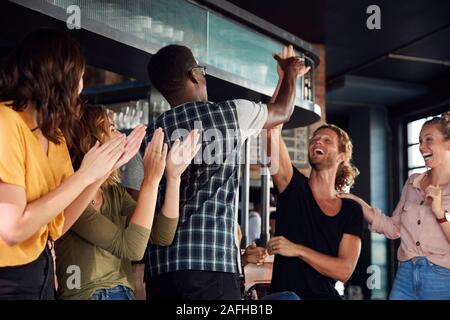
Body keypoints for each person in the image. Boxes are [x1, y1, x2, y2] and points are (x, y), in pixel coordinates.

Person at [121, 44, 310, 300]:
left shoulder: (144, 139)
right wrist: (289, 73)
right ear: (195, 74)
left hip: (161, 271)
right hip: (213, 265)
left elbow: (135, 211)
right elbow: (282, 112)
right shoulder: (232, 114)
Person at [0, 29, 143, 300]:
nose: (81, 87)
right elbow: (12, 229)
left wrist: (99, 174)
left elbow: (58, 226)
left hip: (41, 271)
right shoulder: (5, 121)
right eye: (79, 76)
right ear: (58, 77)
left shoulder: (54, 135)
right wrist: (85, 175)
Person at [56, 106, 200, 300]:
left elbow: (161, 235)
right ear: (90, 140)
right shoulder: (72, 193)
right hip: (87, 294)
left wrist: (173, 177)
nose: (121, 135)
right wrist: (150, 180)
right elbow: (132, 249)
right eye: (112, 128)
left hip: (123, 292)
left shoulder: (113, 191)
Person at [338, 112, 450, 300]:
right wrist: (356, 202)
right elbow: (394, 228)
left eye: (429, 140)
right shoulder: (413, 182)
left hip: (442, 278)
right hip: (405, 275)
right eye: (420, 141)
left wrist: (439, 212)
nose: (422, 147)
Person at [267, 119, 363, 299]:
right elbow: (270, 132)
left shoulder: (351, 210)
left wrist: (298, 250)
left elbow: (344, 271)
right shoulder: (292, 186)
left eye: (327, 140)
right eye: (314, 139)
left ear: (342, 156)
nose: (317, 142)